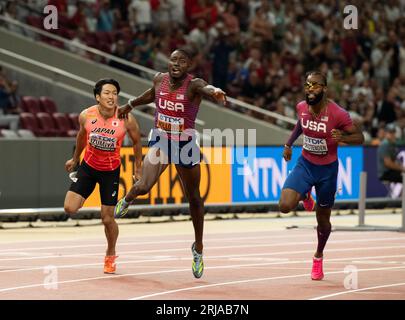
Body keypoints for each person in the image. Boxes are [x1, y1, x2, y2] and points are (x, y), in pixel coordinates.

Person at [114, 47, 227, 279]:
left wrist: (215, 91)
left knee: (194, 198)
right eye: (173, 60)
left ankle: (198, 248)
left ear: (188, 66)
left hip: (184, 145)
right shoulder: (159, 79)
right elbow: (151, 94)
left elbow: (207, 88)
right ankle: (128, 198)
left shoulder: (193, 84)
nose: (176, 64)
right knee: (143, 186)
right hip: (161, 141)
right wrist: (130, 104)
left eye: (182, 61)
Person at [279, 71, 364, 281]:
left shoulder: (338, 113)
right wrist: (289, 144)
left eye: (315, 85)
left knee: (323, 220)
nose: (310, 89)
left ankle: (318, 256)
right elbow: (301, 123)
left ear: (324, 88)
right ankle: (306, 195)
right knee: (284, 206)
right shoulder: (301, 107)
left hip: (327, 171)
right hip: (305, 164)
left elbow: (360, 137)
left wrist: (343, 136)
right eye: (307, 85)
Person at [64, 78, 142, 274]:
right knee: (70, 207)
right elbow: (81, 137)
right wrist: (75, 160)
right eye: (107, 93)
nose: (111, 96)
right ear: (98, 97)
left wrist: (138, 169)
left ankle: (110, 253)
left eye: (115, 93)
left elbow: (137, 142)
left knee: (107, 219)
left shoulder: (126, 118)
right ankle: (83, 193)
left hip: (110, 171)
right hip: (88, 167)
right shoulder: (86, 115)